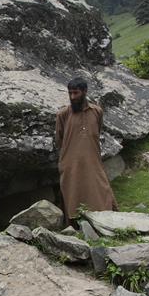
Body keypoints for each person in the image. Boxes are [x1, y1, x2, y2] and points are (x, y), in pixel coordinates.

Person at [54, 77, 117, 222]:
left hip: (92, 159)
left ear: (85, 92)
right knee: (72, 191)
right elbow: (59, 139)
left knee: (100, 188)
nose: (72, 97)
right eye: (70, 93)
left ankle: (105, 219)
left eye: (76, 93)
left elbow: (97, 132)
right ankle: (75, 223)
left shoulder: (97, 111)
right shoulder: (63, 114)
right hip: (70, 161)